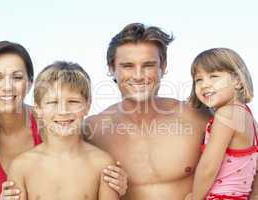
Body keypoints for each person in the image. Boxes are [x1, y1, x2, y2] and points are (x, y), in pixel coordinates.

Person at [0, 41, 125, 200]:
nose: (7, 86)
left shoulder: (58, 125)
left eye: (17, 77)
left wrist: (122, 183)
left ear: (29, 83)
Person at [85, 23, 211, 199]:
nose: (138, 75)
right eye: (127, 66)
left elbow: (250, 162)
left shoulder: (198, 118)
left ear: (163, 67)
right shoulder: (92, 131)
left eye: (148, 65)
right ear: (112, 69)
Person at [7, 61, 119, 200]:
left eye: (73, 102)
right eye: (52, 102)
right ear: (38, 109)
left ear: (88, 106)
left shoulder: (102, 164)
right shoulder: (22, 166)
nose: (63, 111)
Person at [185, 48, 258, 200]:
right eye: (199, 79)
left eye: (214, 76)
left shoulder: (226, 115)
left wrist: (195, 198)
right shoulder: (249, 117)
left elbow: (208, 167)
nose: (205, 84)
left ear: (238, 81)